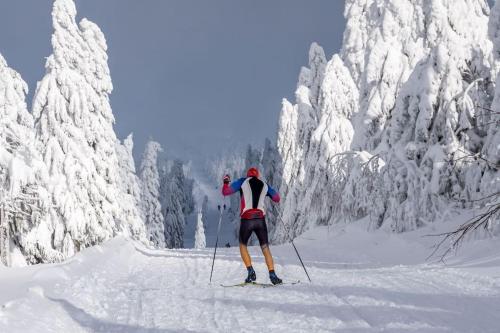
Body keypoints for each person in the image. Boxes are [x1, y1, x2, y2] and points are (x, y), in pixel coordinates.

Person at [222, 167, 282, 285]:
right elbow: (277, 198)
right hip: (260, 219)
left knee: (243, 245)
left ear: (248, 175)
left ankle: (251, 272)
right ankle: (272, 274)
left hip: (247, 219)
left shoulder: (242, 181)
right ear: (257, 176)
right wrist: (268, 194)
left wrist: (226, 182)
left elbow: (226, 192)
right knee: (265, 248)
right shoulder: (264, 185)